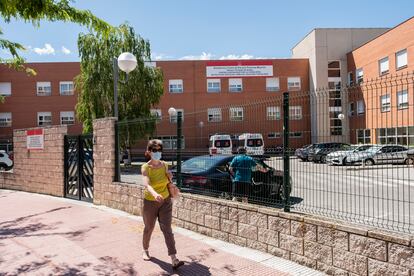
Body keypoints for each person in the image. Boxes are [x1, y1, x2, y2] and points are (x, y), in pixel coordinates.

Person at [141, 139, 184, 269]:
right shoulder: (145, 167)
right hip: (150, 202)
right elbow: (146, 184)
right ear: (149, 152)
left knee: (167, 229)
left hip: (165, 201)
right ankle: (145, 250)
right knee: (149, 228)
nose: (158, 153)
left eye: (160, 150)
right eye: (155, 150)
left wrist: (170, 177)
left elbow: (168, 181)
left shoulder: (165, 165)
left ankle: (174, 258)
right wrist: (155, 194)